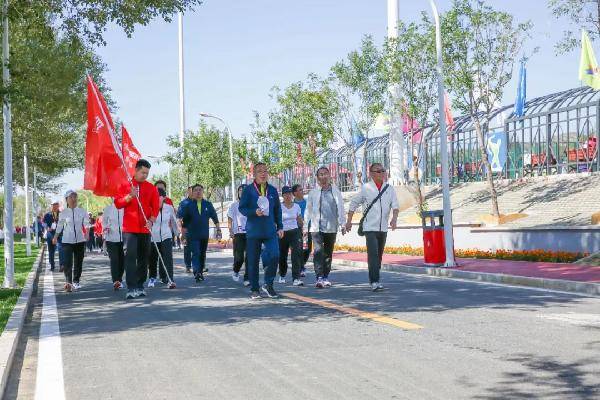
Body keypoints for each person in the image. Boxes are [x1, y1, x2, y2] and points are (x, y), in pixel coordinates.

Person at [345, 163, 399, 291]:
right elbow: (354, 203)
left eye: (383, 170)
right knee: (373, 254)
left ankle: (376, 278)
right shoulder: (366, 188)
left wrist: (394, 219)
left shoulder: (389, 188)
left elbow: (395, 206)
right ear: (371, 174)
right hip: (369, 228)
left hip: (383, 228)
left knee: (379, 255)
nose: (382, 173)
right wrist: (349, 221)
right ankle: (374, 281)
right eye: (379, 171)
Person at [115, 159, 160, 300]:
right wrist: (129, 196)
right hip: (130, 229)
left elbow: (155, 207)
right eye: (143, 172)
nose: (145, 175)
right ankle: (131, 287)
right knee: (130, 258)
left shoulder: (151, 187)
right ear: (136, 170)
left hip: (145, 229)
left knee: (143, 258)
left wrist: (151, 221)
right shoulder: (125, 185)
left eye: (147, 173)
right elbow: (118, 203)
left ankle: (140, 285)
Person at [238, 162, 283, 299]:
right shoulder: (248, 190)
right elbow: (242, 208)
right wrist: (253, 212)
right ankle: (255, 288)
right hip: (254, 231)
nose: (263, 174)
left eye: (265, 171)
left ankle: (268, 284)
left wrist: (280, 226)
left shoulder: (273, 190)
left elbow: (277, 210)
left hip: (270, 230)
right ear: (254, 174)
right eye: (260, 171)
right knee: (253, 261)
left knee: (275, 255)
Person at [305, 166, 346, 288]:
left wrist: (342, 223)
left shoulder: (336, 191)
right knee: (318, 251)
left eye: (325, 174)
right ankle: (319, 277)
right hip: (316, 227)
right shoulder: (313, 192)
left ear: (329, 175)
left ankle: (326, 276)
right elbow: (308, 210)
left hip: (331, 227)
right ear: (317, 178)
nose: (323, 176)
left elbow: (341, 208)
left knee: (328, 253)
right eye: (321, 174)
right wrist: (304, 229)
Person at [178, 184, 220, 282]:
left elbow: (214, 217)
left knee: (202, 254)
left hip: (204, 234)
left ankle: (200, 271)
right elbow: (185, 221)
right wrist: (183, 234)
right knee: (196, 253)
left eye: (200, 190)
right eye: (195, 190)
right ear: (192, 193)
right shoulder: (188, 205)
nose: (198, 192)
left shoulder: (208, 204)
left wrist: (218, 229)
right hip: (192, 235)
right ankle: (196, 272)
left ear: (202, 192)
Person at [53, 190, 88, 292]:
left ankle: (76, 281)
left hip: (80, 240)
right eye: (71, 197)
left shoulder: (82, 211)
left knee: (78, 262)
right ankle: (68, 282)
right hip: (67, 240)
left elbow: (86, 223)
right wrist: (55, 237)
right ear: (67, 200)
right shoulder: (63, 213)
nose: (73, 199)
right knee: (67, 262)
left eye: (75, 197)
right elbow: (59, 226)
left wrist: (87, 232)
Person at [149, 188, 179, 289]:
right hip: (153, 237)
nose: (156, 198)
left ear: (164, 198)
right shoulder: (150, 208)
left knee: (168, 259)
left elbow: (174, 222)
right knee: (153, 259)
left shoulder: (169, 208)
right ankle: (152, 278)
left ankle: (170, 280)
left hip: (166, 236)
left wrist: (178, 234)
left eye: (158, 196)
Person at [278, 186, 304, 286]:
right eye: (285, 194)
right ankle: (282, 275)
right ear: (283, 196)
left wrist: (302, 226)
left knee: (296, 254)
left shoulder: (296, 206)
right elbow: (276, 221)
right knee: (282, 255)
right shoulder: (279, 207)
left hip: (295, 232)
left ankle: (296, 278)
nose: (288, 196)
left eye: (289, 193)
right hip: (283, 233)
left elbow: (299, 219)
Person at [228, 184, 249, 286]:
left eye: (244, 190)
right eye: (240, 190)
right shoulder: (234, 205)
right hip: (238, 234)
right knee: (239, 257)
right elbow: (230, 218)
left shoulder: (252, 204)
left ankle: (247, 278)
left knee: (249, 257)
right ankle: (236, 270)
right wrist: (230, 230)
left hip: (250, 233)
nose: (242, 192)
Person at [103, 200, 125, 290]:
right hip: (111, 238)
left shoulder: (125, 208)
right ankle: (116, 280)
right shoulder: (108, 209)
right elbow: (104, 222)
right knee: (114, 259)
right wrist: (106, 228)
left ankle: (119, 279)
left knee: (122, 260)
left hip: (124, 238)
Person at [292, 184, 310, 277]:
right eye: (300, 190)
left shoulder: (307, 202)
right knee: (299, 249)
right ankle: (301, 268)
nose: (302, 191)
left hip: (308, 227)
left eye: (302, 189)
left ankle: (302, 264)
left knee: (307, 249)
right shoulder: (292, 204)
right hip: (297, 228)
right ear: (295, 193)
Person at [177, 186, 193, 273]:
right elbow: (179, 218)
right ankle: (188, 266)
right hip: (186, 230)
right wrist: (180, 231)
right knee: (187, 249)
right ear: (188, 192)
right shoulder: (183, 203)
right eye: (191, 191)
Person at [43, 201, 61, 271]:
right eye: (53, 205)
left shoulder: (62, 214)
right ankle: (52, 265)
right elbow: (43, 223)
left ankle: (61, 265)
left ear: (58, 205)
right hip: (50, 234)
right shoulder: (47, 214)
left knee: (61, 249)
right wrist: (47, 228)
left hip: (59, 234)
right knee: (51, 251)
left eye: (56, 205)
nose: (54, 206)